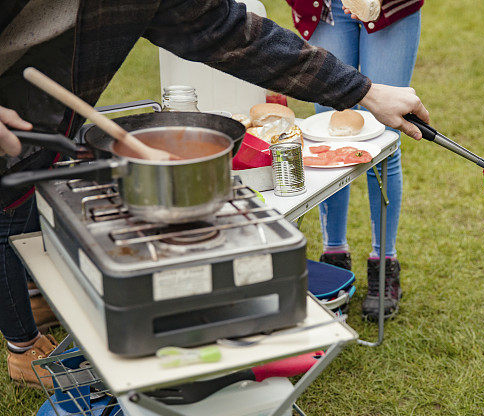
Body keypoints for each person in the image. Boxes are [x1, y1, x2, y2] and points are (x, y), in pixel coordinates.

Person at [0, 0, 429, 387]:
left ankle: (37, 299)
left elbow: (229, 32)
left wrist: (363, 91)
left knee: (23, 211)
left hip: (42, 123)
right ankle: (22, 347)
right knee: (5, 224)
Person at [287, 0, 423, 321]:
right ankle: (334, 255)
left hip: (391, 8)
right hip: (325, 8)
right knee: (330, 136)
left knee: (385, 138)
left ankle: (384, 261)